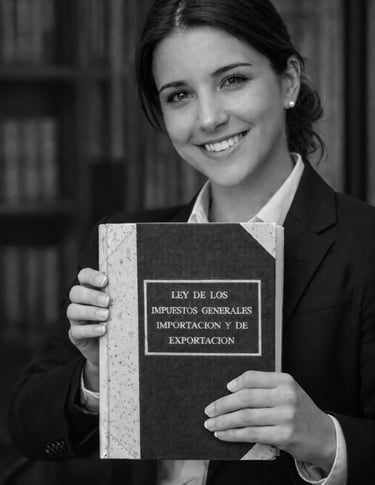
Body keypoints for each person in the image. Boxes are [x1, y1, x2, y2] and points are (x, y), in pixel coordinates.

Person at [9, 0, 375, 484]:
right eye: (179, 95)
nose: (208, 119)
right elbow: (27, 429)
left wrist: (326, 439)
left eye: (232, 80)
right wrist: (98, 379)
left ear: (288, 81)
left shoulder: (365, 244)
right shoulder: (123, 245)